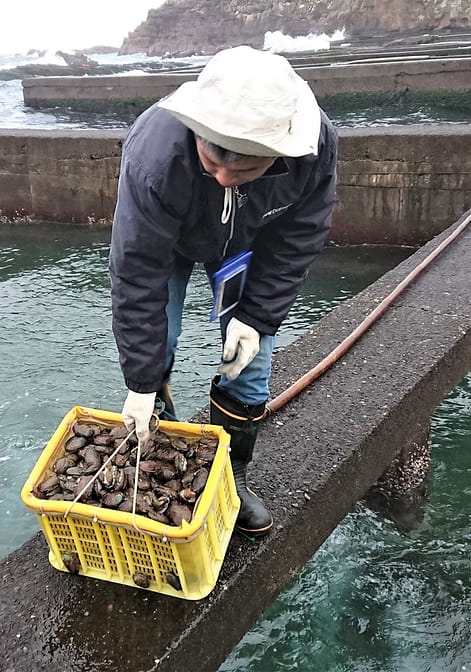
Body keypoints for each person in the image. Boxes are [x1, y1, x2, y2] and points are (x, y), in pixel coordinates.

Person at [109, 45, 338, 539]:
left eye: (244, 171)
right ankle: (156, 451)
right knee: (158, 345)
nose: (222, 177)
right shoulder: (155, 155)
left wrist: (255, 318)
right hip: (170, 243)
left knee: (251, 363)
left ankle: (230, 480)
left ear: (278, 153)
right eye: (211, 161)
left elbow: (299, 237)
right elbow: (138, 270)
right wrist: (140, 382)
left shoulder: (312, 147)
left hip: (248, 243)